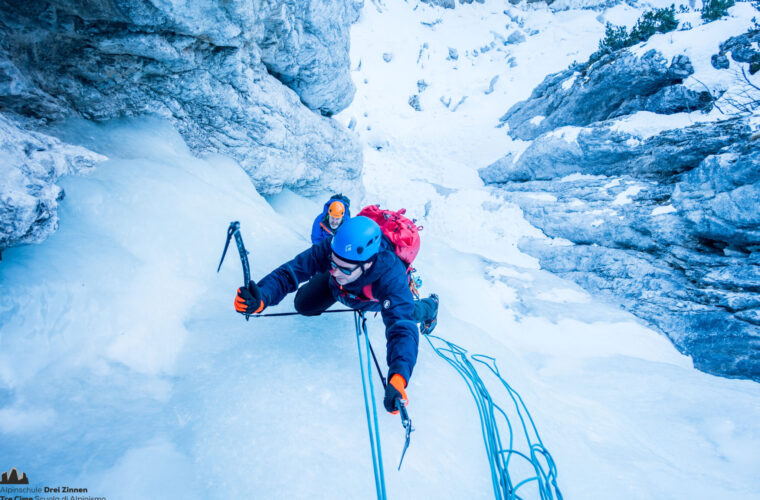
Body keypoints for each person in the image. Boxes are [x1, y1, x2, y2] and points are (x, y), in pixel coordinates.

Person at [234, 215, 439, 414]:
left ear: (368, 263)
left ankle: (431, 305)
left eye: (345, 269)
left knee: (408, 312)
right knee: (304, 304)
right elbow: (292, 271)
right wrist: (263, 296)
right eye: (332, 264)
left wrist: (398, 376)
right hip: (340, 291)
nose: (335, 272)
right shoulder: (334, 249)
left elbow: (401, 326)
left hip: (371, 300)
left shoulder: (390, 278)